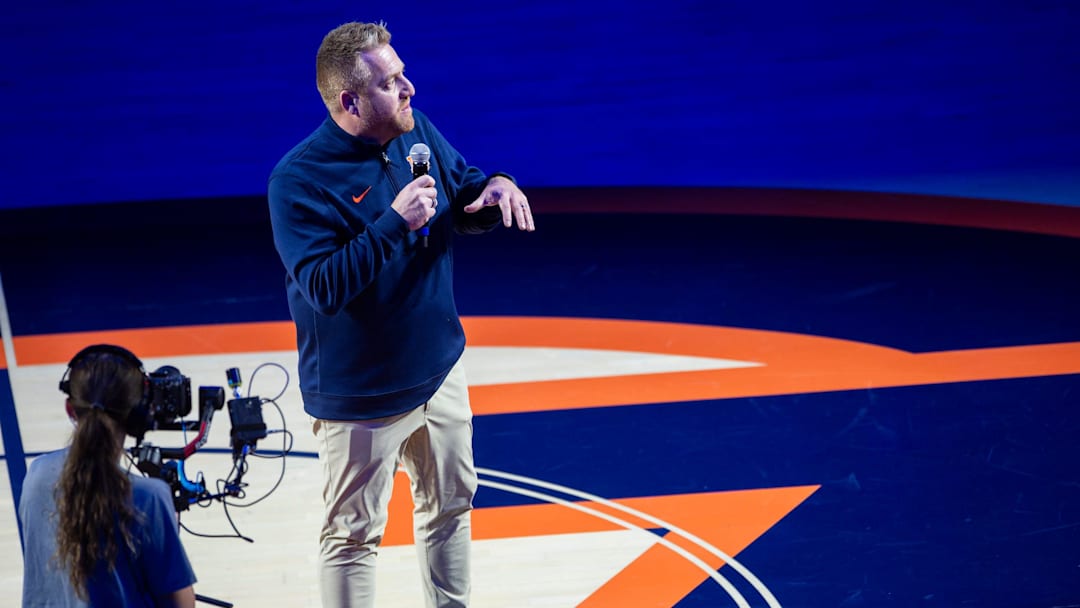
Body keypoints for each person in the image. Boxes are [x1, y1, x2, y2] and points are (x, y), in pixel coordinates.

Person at [266, 20, 534, 608]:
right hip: (362, 398)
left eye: (403, 73)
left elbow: (460, 189)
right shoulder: (298, 181)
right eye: (391, 82)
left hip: (438, 373)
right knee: (353, 536)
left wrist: (493, 189)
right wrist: (394, 221)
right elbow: (323, 286)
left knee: (451, 507)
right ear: (350, 101)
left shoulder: (414, 134)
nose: (409, 88)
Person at [19, 344, 197, 607]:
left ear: (71, 409)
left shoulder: (37, 474)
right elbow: (182, 604)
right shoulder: (149, 497)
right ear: (139, 414)